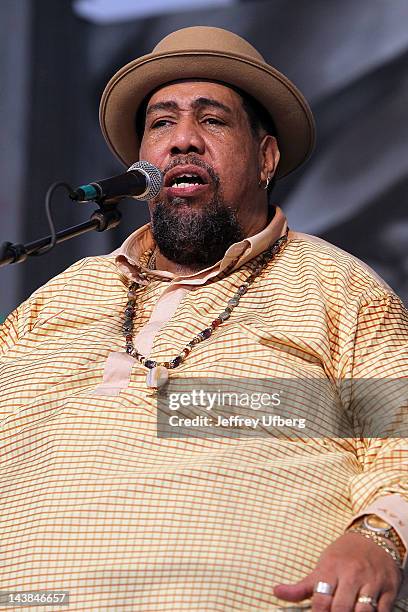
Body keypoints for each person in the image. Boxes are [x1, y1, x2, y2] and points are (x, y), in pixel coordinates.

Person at [1, 26, 407, 612]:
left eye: (212, 120)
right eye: (161, 123)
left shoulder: (335, 284)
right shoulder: (56, 297)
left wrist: (376, 540)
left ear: (266, 157)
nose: (182, 141)